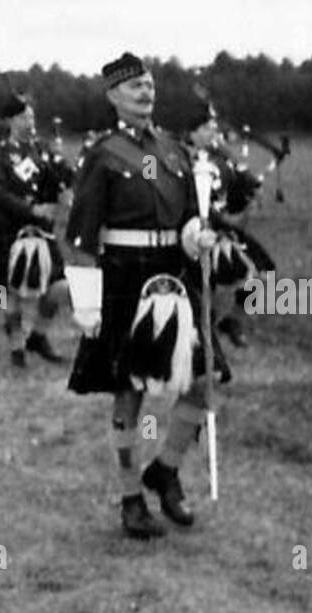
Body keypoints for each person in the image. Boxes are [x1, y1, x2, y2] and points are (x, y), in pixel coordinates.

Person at [64, 52, 229, 539]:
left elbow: (185, 219)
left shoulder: (175, 152)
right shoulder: (104, 154)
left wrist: (196, 233)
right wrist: (87, 303)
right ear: (113, 96)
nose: (145, 91)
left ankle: (167, 469)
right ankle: (131, 494)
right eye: (134, 86)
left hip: (173, 276)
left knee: (204, 379)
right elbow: (81, 237)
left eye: (149, 83)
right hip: (123, 279)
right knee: (129, 390)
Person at [0, 94, 74, 367]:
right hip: (7, 230)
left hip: (41, 233)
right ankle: (15, 346)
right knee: (3, 291)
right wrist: (31, 210)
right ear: (10, 121)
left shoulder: (42, 150)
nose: (29, 122)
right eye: (24, 117)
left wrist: (65, 179)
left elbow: (66, 177)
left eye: (32, 117)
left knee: (59, 287)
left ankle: (38, 336)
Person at [185, 108, 276, 347]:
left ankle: (232, 320)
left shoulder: (223, 161)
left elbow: (235, 197)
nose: (214, 132)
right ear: (192, 133)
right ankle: (203, 327)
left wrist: (249, 194)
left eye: (214, 128)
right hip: (193, 233)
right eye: (207, 128)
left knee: (266, 273)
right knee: (200, 285)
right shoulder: (182, 160)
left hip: (223, 230)